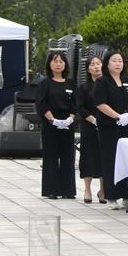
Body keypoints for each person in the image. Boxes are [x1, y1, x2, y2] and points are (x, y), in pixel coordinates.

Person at [93, 50, 128, 210]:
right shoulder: (102, 82)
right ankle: (111, 197)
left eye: (120, 61)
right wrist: (117, 117)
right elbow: (100, 104)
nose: (117, 64)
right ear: (107, 64)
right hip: (109, 128)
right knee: (111, 160)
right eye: (114, 61)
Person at [36, 51, 78, 199]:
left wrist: (70, 119)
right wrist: (53, 120)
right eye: (55, 61)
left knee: (68, 156)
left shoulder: (71, 83)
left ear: (65, 64)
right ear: (49, 64)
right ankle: (51, 189)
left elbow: (75, 104)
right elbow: (41, 104)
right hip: (50, 123)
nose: (58, 64)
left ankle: (68, 190)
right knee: (51, 156)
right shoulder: (45, 83)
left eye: (61, 61)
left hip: (68, 123)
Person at [77, 55, 106, 203]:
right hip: (88, 125)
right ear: (88, 69)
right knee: (87, 157)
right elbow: (80, 108)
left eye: (98, 64)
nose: (96, 66)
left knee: (103, 157)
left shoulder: (107, 84)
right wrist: (93, 120)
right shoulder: (83, 87)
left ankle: (103, 190)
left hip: (105, 125)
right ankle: (87, 190)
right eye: (92, 64)